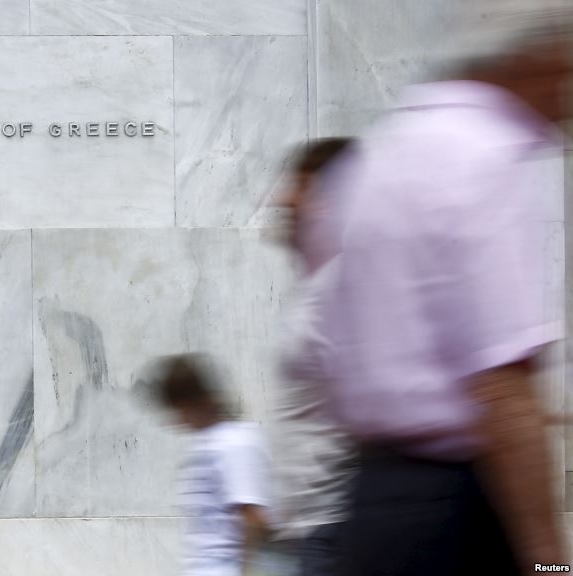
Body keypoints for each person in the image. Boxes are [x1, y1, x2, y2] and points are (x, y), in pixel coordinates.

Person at [322, 22, 570, 576]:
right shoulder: (484, 158)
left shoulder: (377, 155)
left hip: (374, 504)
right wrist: (549, 564)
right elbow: (503, 387)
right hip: (455, 516)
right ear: (535, 56)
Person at [269, 139, 354, 576]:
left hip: (335, 529)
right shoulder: (315, 287)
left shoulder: (341, 289)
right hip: (307, 531)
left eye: (296, 185)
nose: (280, 199)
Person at [155, 355, 272, 576]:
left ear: (197, 401)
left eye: (180, 410)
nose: (178, 420)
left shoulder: (236, 442)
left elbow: (254, 518)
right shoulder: (209, 443)